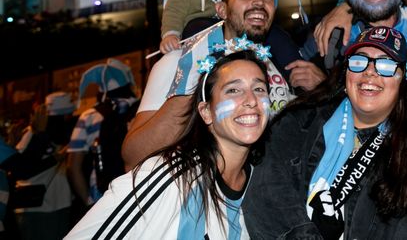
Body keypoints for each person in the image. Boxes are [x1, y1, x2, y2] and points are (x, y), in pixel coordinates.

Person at [245, 26, 407, 239]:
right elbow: (267, 198)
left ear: (403, 81)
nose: (370, 72)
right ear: (346, 73)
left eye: (386, 65)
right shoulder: (297, 122)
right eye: (359, 62)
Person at [122, 0, 321, 170]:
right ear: (222, 10)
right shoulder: (180, 62)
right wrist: (192, 85)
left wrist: (322, 87)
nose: (260, 2)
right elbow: (134, 157)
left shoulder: (278, 63)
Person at [66, 49, 269, 239]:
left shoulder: (265, 185)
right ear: (206, 112)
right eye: (233, 90)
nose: (251, 100)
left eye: (259, 88)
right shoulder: (168, 175)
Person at [66, 59, 138, 208]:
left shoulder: (89, 116)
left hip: (102, 196)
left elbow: (73, 167)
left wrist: (89, 201)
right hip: (139, 192)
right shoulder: (143, 110)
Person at [11, 92, 76, 240]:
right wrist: (56, 156)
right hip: (35, 209)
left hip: (58, 204)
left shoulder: (63, 135)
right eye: (68, 115)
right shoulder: (33, 134)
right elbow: (20, 169)